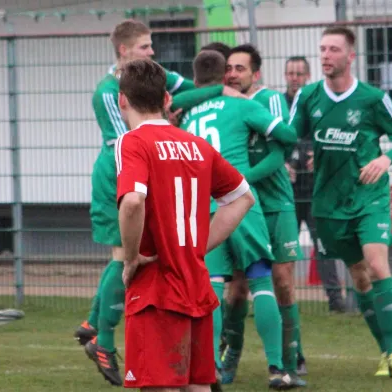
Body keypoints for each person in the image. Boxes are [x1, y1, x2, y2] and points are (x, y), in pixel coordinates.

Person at [115, 58, 255, 392]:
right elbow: (243, 197)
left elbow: (133, 201)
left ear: (123, 100)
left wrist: (132, 257)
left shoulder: (132, 142)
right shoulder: (196, 144)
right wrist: (197, 247)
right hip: (194, 284)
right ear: (166, 99)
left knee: (159, 385)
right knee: (197, 385)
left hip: (156, 289)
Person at [289, 26, 392, 378]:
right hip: (329, 204)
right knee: (359, 277)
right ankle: (384, 352)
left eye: (333, 49)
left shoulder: (372, 98)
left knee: (377, 266)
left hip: (368, 196)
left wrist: (385, 159)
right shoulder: (308, 96)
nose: (326, 55)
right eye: (322, 49)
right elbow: (289, 135)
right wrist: (286, 157)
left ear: (350, 56)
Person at [74, 19, 195, 386]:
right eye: (145, 46)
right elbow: (125, 138)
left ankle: (93, 325)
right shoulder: (108, 92)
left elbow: (192, 89)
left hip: (136, 168)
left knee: (125, 257)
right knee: (123, 257)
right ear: (124, 51)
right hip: (117, 172)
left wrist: (215, 92)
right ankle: (103, 341)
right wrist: (166, 114)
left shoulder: (151, 77)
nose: (152, 52)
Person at [180, 50, 301, 390]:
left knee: (214, 284)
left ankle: (212, 368)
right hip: (238, 199)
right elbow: (289, 136)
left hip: (203, 204)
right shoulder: (241, 104)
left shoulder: (187, 114)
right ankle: (278, 369)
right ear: (224, 78)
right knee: (261, 280)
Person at [216, 44, 307, 385]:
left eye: (240, 68)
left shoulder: (270, 101)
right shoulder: (224, 106)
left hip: (273, 204)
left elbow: (278, 155)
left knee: (282, 282)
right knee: (236, 290)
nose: (233, 74)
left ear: (256, 74)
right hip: (240, 207)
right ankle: (231, 358)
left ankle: (289, 358)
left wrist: (237, 181)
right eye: (229, 68)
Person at [284, 56, 347, 315]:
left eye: (299, 73)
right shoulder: (278, 104)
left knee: (323, 245)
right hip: (287, 189)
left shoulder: (316, 102)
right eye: (290, 73)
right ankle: (281, 301)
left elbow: (331, 136)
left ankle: (336, 301)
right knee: (283, 247)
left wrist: (318, 155)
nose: (295, 78)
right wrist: (284, 162)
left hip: (314, 189)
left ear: (308, 76)